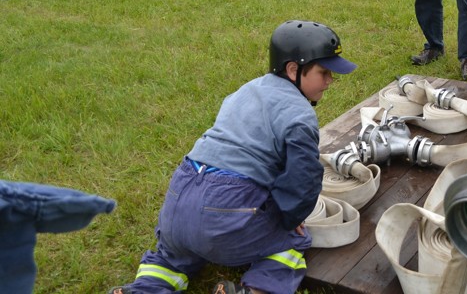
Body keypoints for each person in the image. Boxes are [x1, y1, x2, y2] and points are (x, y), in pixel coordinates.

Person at [108, 20, 357, 294]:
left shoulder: (246, 90)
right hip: (225, 209)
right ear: (293, 69)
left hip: (179, 199)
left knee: (172, 257)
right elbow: (304, 180)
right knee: (291, 243)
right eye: (324, 72)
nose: (331, 80)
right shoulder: (299, 114)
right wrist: (290, 217)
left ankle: (146, 288)